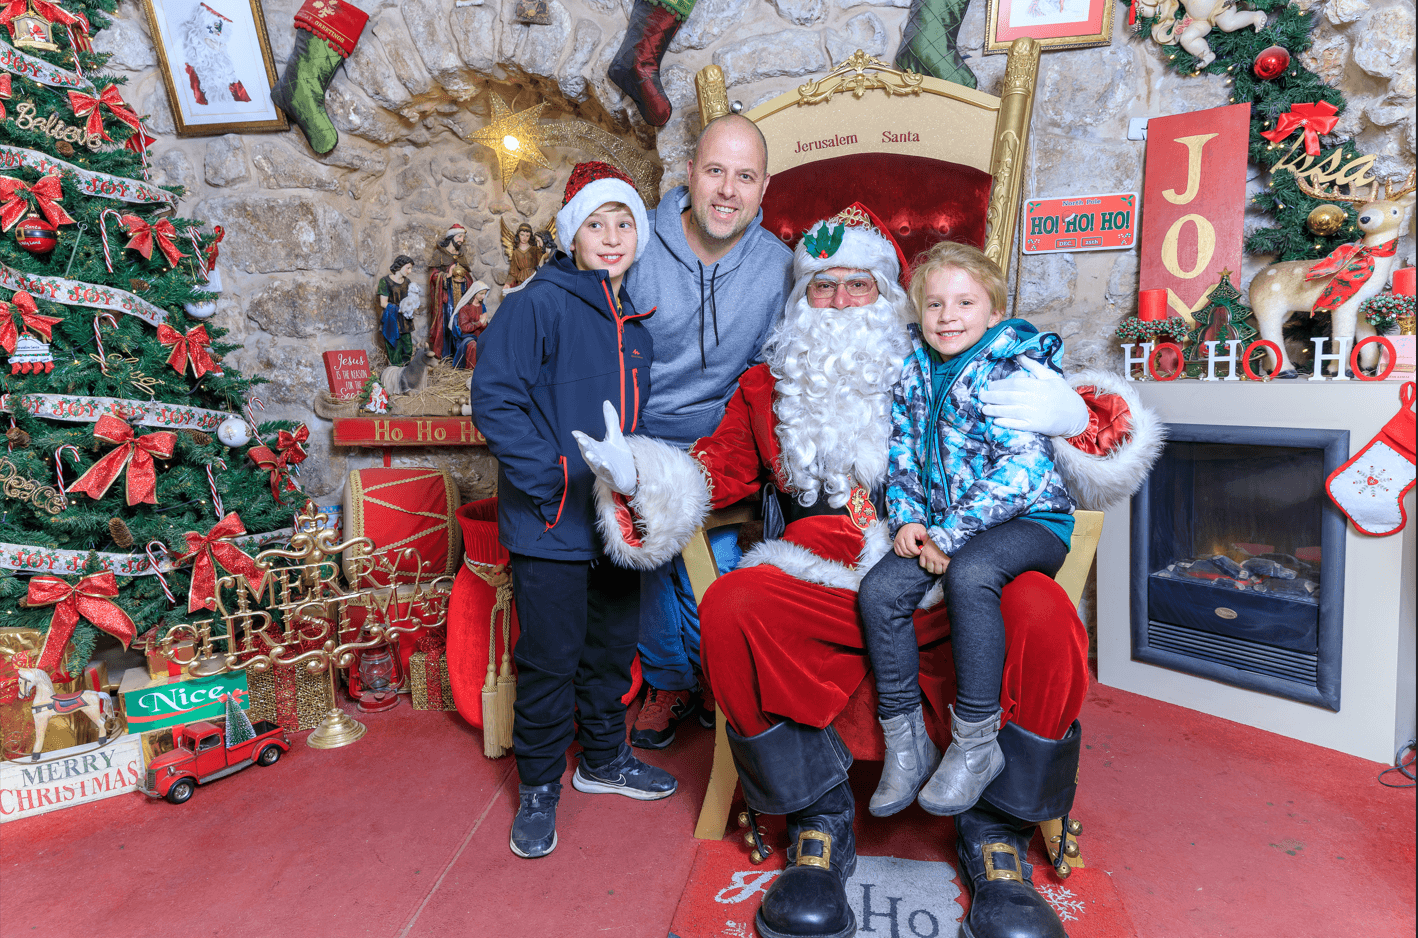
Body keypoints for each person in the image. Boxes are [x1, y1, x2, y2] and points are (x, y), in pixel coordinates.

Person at [577, 204, 1162, 938]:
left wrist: (1072, 418)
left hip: (955, 563)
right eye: (823, 288)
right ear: (800, 302)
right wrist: (640, 473)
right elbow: (714, 469)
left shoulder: (940, 359)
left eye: (860, 286)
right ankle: (816, 822)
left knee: (1043, 614)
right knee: (733, 605)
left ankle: (996, 830)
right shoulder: (767, 386)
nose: (842, 302)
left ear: (891, 299)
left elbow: (1048, 446)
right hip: (816, 563)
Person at [469, 162, 675, 862]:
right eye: (597, 223)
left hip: (617, 525)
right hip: (551, 520)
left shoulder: (636, 328)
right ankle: (536, 786)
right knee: (551, 658)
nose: (612, 236)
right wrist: (559, 478)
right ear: (572, 234)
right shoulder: (537, 304)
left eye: (624, 223)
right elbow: (495, 399)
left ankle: (602, 759)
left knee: (612, 651)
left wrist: (641, 482)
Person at [860, 241, 1076, 823]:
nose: (947, 316)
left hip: (1029, 519)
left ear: (993, 310)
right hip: (937, 526)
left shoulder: (1011, 366)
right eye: (934, 304)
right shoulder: (913, 367)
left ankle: (977, 745)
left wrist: (947, 538)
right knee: (880, 590)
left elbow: (1022, 470)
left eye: (964, 303)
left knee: (974, 574)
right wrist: (907, 518)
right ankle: (907, 745)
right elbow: (901, 449)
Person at [621, 113, 794, 749]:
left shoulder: (779, 267)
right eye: (715, 171)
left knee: (712, 561)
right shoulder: (635, 245)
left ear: (763, 187)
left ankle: (707, 677)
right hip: (639, 430)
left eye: (744, 177)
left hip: (721, 437)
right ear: (689, 173)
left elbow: (771, 370)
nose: (727, 190)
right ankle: (673, 679)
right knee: (644, 542)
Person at [181, 3, 250, 106]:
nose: (218, 45)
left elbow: (246, 103)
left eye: (221, 42)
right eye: (212, 40)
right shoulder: (190, 72)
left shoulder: (228, 72)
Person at [428, 224, 468, 359]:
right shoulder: (439, 254)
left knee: (459, 323)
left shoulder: (461, 256)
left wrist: (465, 280)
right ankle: (445, 355)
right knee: (446, 323)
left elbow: (469, 276)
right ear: (451, 237)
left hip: (460, 296)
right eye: (459, 236)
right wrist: (447, 276)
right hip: (445, 298)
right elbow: (433, 276)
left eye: (463, 237)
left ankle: (458, 355)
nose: (461, 240)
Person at [376, 255, 416, 366]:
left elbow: (411, 299)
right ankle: (396, 373)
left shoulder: (407, 282)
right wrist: (400, 309)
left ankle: (406, 372)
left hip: (405, 321)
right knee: (395, 349)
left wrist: (413, 305)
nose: (410, 271)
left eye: (410, 268)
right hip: (392, 319)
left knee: (407, 348)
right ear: (400, 266)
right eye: (408, 268)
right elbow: (383, 303)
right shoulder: (385, 281)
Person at [449, 280, 491, 368]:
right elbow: (464, 328)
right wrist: (479, 323)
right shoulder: (465, 308)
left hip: (480, 336)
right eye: (481, 294)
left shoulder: (482, 307)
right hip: (467, 337)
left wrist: (484, 324)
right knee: (473, 346)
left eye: (485, 294)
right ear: (474, 293)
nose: (483, 297)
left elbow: (485, 326)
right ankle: (471, 369)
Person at [506, 223, 542, 288]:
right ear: (518, 235)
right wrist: (507, 284)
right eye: (522, 235)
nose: (524, 238)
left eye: (527, 236)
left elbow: (541, 265)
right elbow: (513, 272)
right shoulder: (516, 252)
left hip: (533, 278)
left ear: (530, 236)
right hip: (521, 280)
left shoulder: (535, 249)